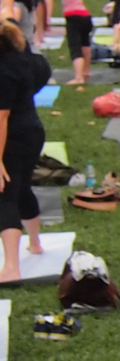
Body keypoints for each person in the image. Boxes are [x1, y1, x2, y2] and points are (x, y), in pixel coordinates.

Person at [0, 16, 50, 282]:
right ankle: (35, 243)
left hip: (14, 136)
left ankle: (11, 267)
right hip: (32, 132)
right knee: (20, 188)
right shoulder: (23, 59)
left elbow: (2, 118)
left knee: (5, 194)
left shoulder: (4, 69)